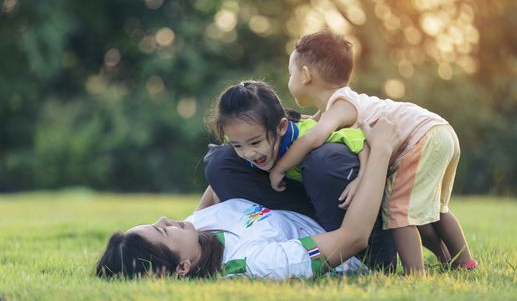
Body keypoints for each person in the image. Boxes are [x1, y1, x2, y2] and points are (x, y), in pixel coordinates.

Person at [268, 30, 477, 274]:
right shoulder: (338, 107)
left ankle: (414, 275)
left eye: (290, 73)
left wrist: (280, 167)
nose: (289, 79)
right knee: (437, 209)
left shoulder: (341, 105)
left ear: (305, 75)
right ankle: (464, 263)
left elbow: (314, 138)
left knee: (398, 211)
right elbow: (312, 127)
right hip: (440, 131)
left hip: (420, 138)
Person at [96, 117, 400, 279]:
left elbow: (220, 180)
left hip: (303, 208)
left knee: (218, 163)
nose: (164, 219)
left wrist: (293, 133)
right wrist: (380, 151)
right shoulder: (254, 263)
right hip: (356, 239)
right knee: (325, 163)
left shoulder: (195, 229)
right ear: (182, 267)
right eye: (162, 230)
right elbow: (353, 238)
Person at [200, 81, 396, 271]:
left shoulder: (310, 134)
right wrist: (195, 221)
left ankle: (366, 256)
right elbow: (220, 178)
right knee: (218, 162)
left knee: (323, 161)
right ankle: (305, 236)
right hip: (306, 214)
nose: (249, 153)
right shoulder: (251, 150)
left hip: (344, 209)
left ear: (281, 127)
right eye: (238, 145)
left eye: (255, 142)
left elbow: (358, 141)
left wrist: (361, 178)